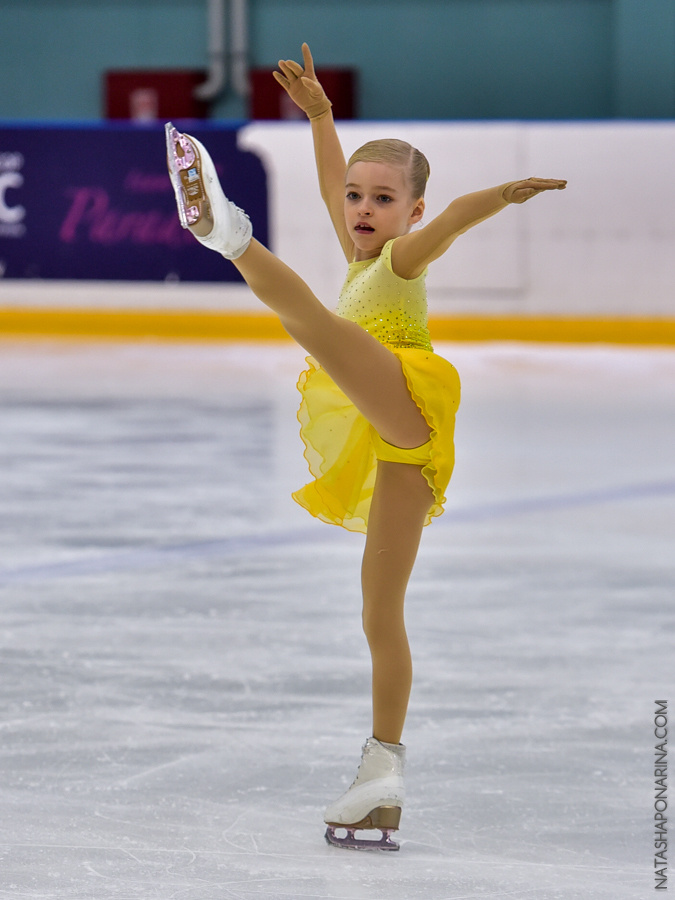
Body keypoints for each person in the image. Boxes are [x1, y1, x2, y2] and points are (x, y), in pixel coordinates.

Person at [165, 43, 566, 851]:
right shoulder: (356, 244)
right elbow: (326, 180)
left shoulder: (403, 254)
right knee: (379, 611)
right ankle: (380, 772)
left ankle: (231, 236)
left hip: (407, 397)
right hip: (395, 444)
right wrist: (319, 116)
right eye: (356, 196)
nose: (360, 208)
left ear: (408, 212)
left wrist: (502, 194)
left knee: (315, 322)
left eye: (382, 198)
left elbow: (450, 220)